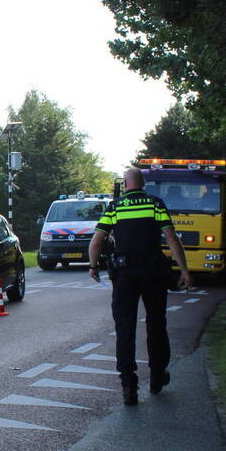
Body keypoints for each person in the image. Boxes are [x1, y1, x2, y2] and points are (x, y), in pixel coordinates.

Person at [88, 168, 192, 406]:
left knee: (125, 327)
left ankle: (128, 385)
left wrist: (94, 266)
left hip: (124, 275)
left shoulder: (115, 207)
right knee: (157, 323)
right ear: (143, 184)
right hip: (154, 273)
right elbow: (172, 237)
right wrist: (184, 270)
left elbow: (96, 241)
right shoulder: (155, 204)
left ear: (125, 184)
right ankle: (157, 375)